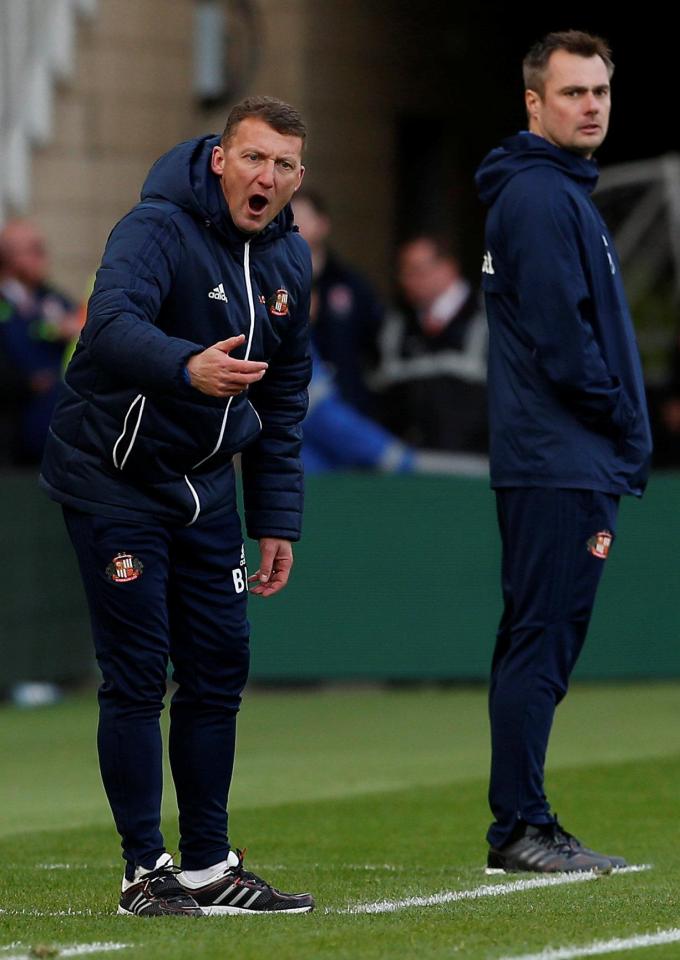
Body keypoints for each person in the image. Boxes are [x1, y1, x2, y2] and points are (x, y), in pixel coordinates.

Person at [40, 96, 315, 916]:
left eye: (285, 165)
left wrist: (277, 517)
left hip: (207, 493)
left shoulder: (288, 264)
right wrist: (185, 366)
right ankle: (142, 870)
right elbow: (111, 325)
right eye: (255, 158)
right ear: (221, 158)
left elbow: (287, 396)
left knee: (220, 668)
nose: (267, 176)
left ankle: (207, 865)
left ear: (300, 178)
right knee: (136, 675)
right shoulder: (155, 227)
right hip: (113, 477)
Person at [475, 31, 652, 873]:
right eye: (573, 92)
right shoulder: (543, 199)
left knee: (538, 639)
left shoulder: (553, 193)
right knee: (541, 640)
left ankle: (524, 820)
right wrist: (620, 417)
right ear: (534, 103)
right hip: (560, 454)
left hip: (560, 453)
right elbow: (562, 339)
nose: (590, 105)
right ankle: (520, 827)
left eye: (600, 92)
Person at [374, 235, 488, 453]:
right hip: (413, 463)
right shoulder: (395, 324)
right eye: (403, 272)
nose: (408, 280)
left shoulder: (487, 317)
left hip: (475, 463)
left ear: (448, 268)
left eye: (417, 270)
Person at [291, 190, 383, 415]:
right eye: (290, 217)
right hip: (296, 406)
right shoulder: (272, 281)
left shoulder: (351, 285)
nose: (296, 224)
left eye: (303, 216)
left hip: (348, 403)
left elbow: (374, 344)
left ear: (323, 224)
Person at [0, 220, 80, 465]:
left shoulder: (50, 299)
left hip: (56, 425)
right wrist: (29, 383)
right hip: (13, 426)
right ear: (9, 257)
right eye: (33, 250)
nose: (42, 258)